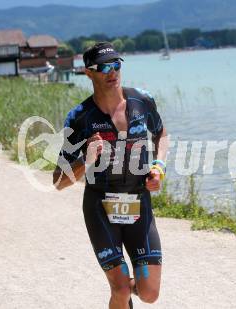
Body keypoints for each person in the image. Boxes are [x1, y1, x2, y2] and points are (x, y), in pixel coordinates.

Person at [53, 42, 168, 309]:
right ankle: (121, 297)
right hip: (100, 207)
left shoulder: (142, 101)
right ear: (88, 73)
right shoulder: (78, 118)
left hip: (139, 203)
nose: (112, 71)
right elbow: (59, 181)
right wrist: (85, 159)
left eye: (116, 64)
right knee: (119, 288)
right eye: (103, 67)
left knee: (149, 293)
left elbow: (162, 133)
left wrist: (158, 167)